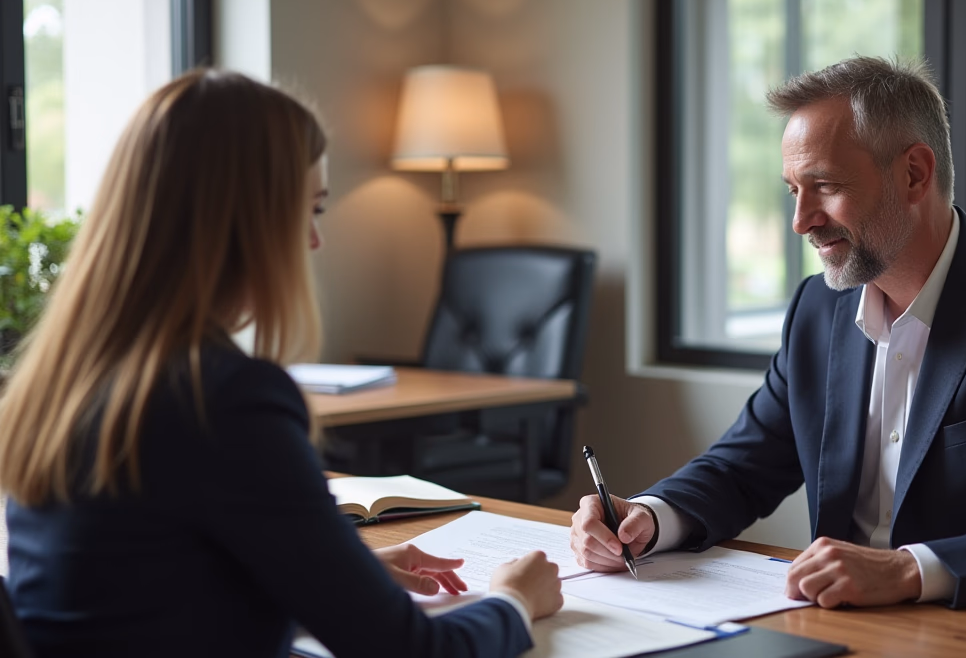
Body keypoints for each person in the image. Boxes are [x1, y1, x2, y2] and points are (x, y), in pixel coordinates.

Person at [0, 69, 562, 657]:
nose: (314, 241)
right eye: (311, 209)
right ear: (245, 220)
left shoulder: (66, 382)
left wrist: (332, 581)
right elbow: (411, 651)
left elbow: (142, 602)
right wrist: (513, 600)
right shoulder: (223, 397)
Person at [570, 56, 966, 609]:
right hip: (837, 629)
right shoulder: (817, 309)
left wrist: (911, 569)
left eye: (825, 185)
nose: (801, 220)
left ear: (913, 173)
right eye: (793, 191)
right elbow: (743, 466)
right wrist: (649, 516)